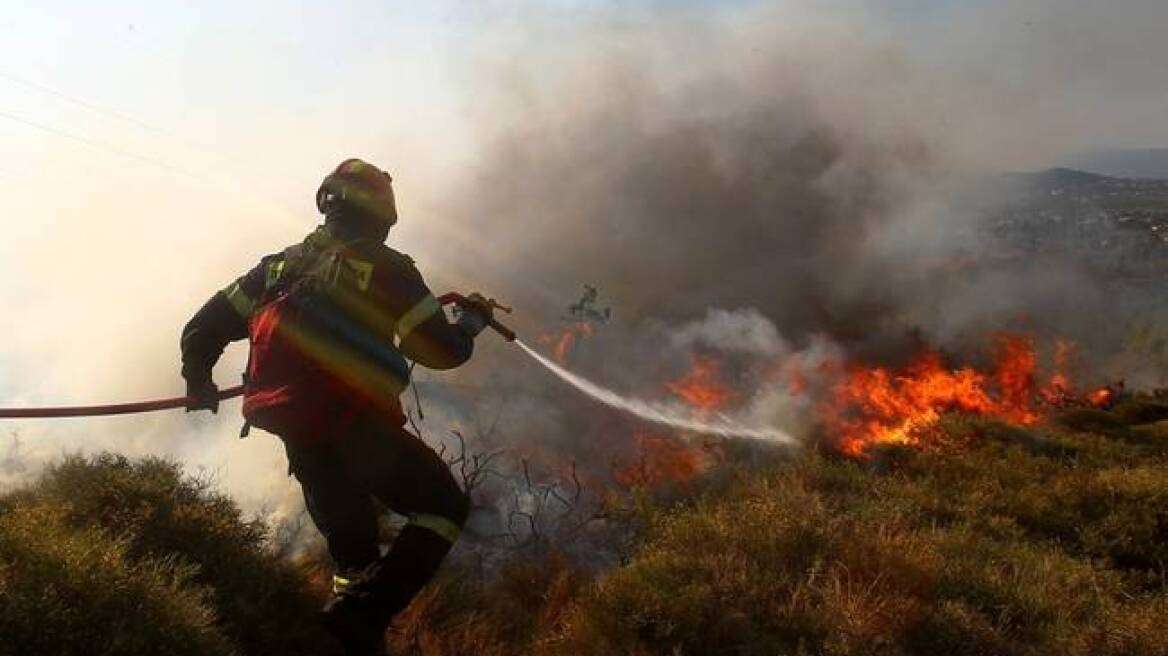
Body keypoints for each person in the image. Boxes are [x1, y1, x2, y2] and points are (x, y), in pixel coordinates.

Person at [179, 158, 492, 655]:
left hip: (298, 431)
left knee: (354, 563)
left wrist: (199, 383)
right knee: (443, 508)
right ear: (385, 216)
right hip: (357, 425)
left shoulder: (279, 266)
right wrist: (470, 323)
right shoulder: (389, 270)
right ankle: (363, 615)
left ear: (327, 203)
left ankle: (356, 625)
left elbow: (202, 328)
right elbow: (440, 352)